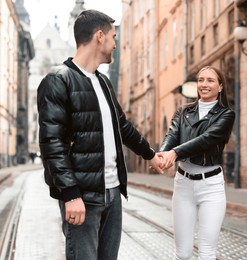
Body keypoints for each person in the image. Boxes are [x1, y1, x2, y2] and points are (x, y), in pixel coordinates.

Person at [37, 10, 164, 260]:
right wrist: (70, 194)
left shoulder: (103, 82)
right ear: (99, 36)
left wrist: (150, 155)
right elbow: (52, 145)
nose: (115, 43)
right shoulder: (57, 81)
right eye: (113, 37)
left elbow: (122, 127)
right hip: (82, 197)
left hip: (112, 194)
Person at [158, 66, 235, 259]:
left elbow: (207, 139)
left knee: (207, 252)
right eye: (200, 80)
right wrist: (162, 154)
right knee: (182, 254)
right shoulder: (183, 111)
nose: (204, 84)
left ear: (220, 86)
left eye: (210, 80)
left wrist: (174, 153)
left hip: (211, 186)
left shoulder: (226, 115)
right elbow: (172, 135)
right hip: (183, 185)